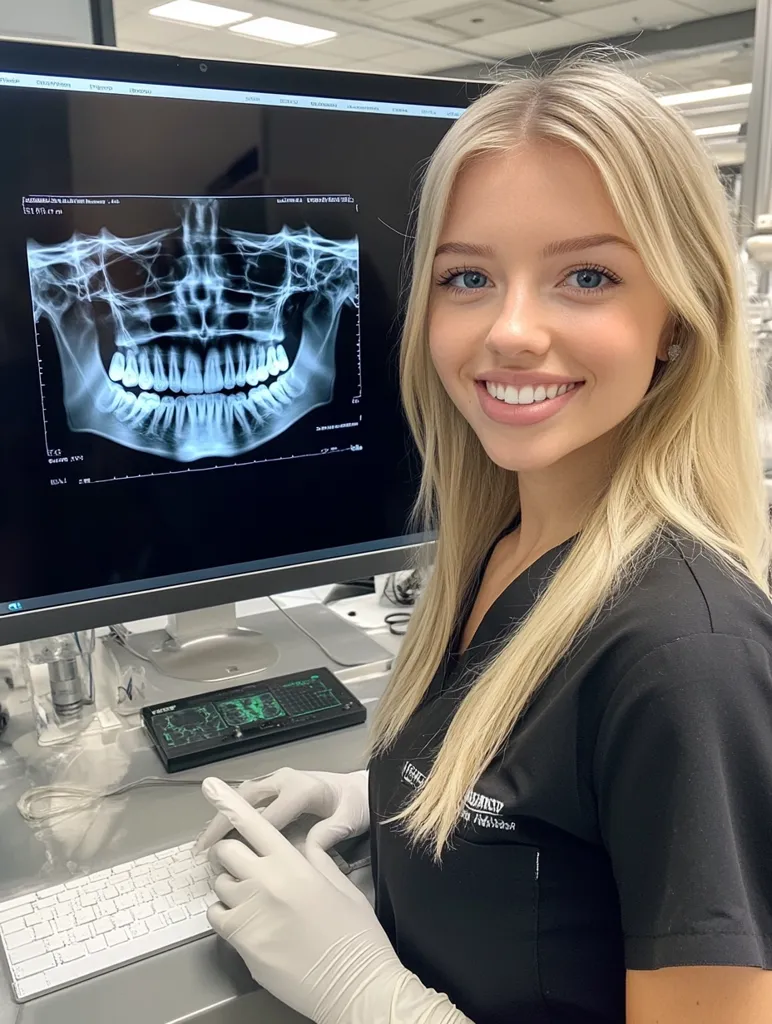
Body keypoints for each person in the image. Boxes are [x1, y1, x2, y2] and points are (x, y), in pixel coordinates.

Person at [194, 58, 772, 1023]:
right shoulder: (504, 547)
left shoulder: (686, 658)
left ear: (677, 317)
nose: (510, 331)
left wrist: (368, 997)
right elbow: (548, 799)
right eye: (468, 277)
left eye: (586, 276)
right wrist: (386, 801)